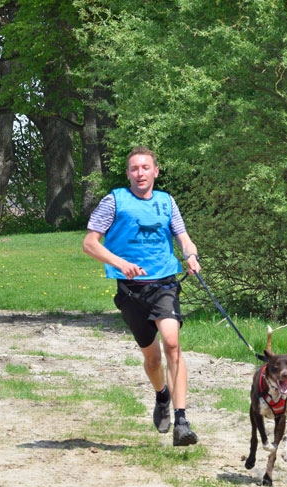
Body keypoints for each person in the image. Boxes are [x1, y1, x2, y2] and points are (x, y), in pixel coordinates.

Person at [82, 146, 202, 446]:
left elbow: (183, 236)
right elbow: (89, 243)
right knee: (152, 357)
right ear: (128, 174)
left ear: (156, 172)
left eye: (146, 167)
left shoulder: (167, 201)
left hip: (164, 283)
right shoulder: (114, 201)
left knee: (172, 344)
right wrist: (121, 264)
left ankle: (182, 420)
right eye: (134, 168)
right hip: (131, 289)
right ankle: (162, 394)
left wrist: (190, 255)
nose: (140, 173)